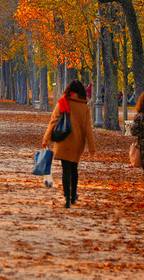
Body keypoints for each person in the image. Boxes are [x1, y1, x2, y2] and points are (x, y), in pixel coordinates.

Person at [41, 79, 96, 208]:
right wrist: (91, 147)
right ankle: (73, 195)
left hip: (64, 140)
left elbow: (53, 121)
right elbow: (88, 128)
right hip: (78, 142)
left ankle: (66, 197)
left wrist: (46, 139)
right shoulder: (85, 106)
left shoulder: (63, 102)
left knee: (66, 169)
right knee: (74, 167)